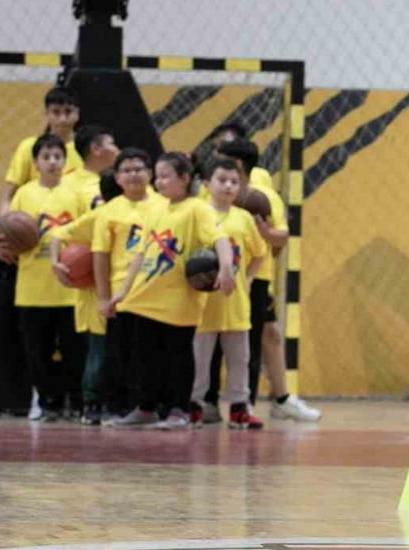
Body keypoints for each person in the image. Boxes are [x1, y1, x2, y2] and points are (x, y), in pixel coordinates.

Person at [105, 152, 234, 429]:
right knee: (145, 356)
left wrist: (225, 268)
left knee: (178, 355)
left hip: (179, 299)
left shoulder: (198, 209)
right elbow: (140, 254)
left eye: (165, 176)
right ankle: (146, 408)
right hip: (145, 296)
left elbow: (220, 239)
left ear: (184, 178)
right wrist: (123, 291)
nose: (158, 182)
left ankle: (179, 410)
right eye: (158, 176)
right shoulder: (156, 208)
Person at [210, 140, 321, 422]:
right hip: (215, 271)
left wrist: (265, 233)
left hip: (254, 276)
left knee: (254, 340)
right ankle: (205, 402)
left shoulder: (261, 194)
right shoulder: (208, 190)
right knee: (211, 338)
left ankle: (250, 403)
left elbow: (279, 238)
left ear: (239, 165)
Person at [0, 135, 90, 421]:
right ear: (35, 163)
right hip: (32, 289)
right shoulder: (24, 194)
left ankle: (77, 401)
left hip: (70, 289)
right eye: (46, 157)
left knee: (76, 351)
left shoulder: (77, 194)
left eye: (57, 157)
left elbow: (87, 232)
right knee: (38, 352)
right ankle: (48, 402)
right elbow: (7, 232)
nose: (52, 162)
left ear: (65, 161)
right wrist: (5, 242)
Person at [47, 125, 119, 424]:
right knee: (97, 351)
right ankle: (91, 404)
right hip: (95, 287)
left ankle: (120, 403)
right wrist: (58, 263)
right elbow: (61, 233)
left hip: (128, 287)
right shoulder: (81, 194)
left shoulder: (144, 206)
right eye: (112, 142)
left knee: (120, 351)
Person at [191, 157, 268, 429]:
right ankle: (194, 405)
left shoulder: (244, 218)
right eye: (222, 180)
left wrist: (248, 278)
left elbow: (259, 253)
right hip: (203, 303)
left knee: (239, 360)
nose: (228, 186)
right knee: (199, 361)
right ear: (206, 184)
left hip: (235, 302)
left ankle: (239, 408)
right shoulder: (198, 215)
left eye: (234, 182)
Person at [94, 149, 169, 423]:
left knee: (156, 351)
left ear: (150, 173)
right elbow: (100, 255)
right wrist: (103, 297)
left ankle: (156, 405)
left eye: (139, 169)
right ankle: (119, 406)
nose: (133, 175)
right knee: (121, 351)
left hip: (159, 289)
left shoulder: (165, 204)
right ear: (117, 177)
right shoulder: (108, 211)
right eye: (126, 170)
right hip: (121, 294)